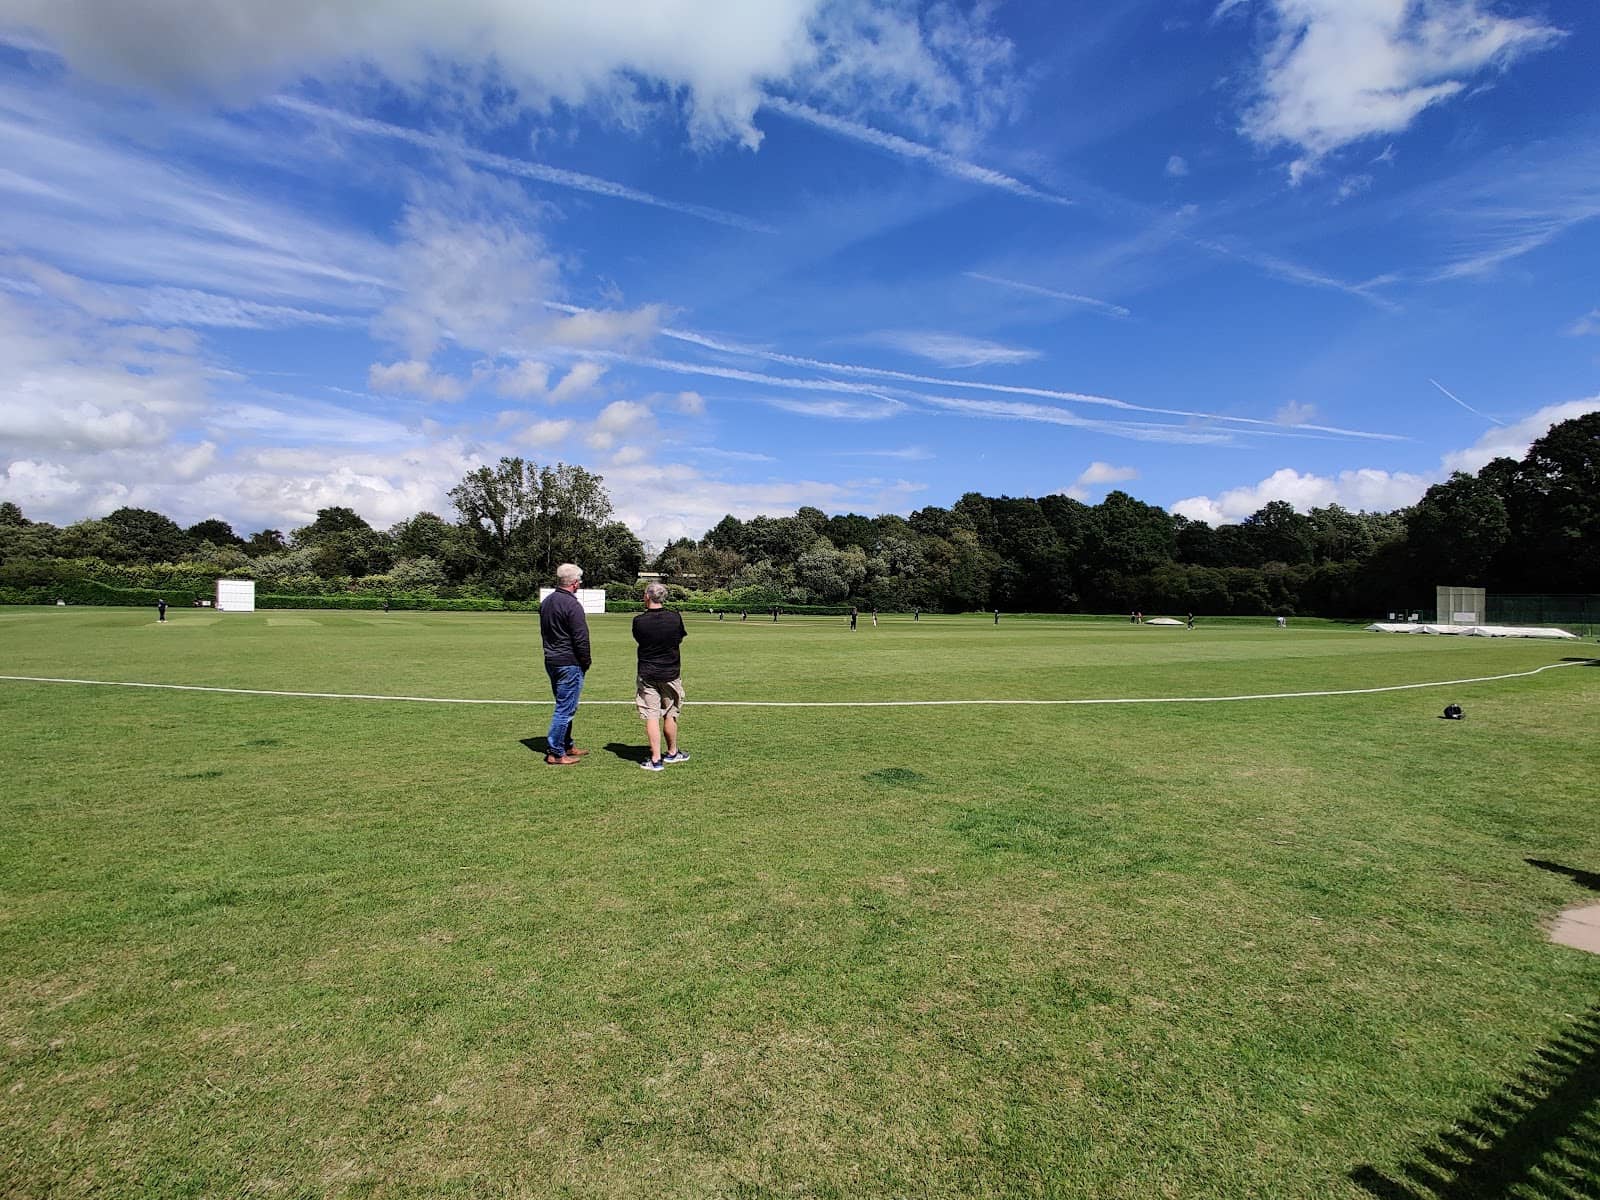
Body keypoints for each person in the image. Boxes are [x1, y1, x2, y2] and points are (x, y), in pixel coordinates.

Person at [633, 582, 690, 771]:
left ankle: (656, 758)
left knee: (651, 714)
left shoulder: (639, 621)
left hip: (648, 673)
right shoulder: (675, 618)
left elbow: (640, 639)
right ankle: (672, 752)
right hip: (670, 672)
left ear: (648, 597)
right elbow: (679, 639)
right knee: (671, 713)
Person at [539, 563, 591, 766]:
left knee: (566, 705)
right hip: (569, 662)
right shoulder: (572, 605)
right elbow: (581, 638)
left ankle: (566, 744)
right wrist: (586, 661)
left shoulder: (547, 602)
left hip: (552, 660)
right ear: (575, 583)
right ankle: (556, 752)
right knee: (565, 708)